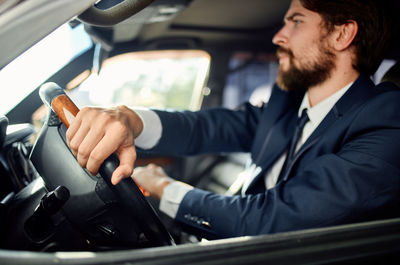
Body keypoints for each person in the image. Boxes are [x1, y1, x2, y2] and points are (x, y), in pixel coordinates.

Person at [66, 0, 400, 239]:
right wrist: (130, 120)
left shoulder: (387, 120)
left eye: (296, 21)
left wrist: (162, 187)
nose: (278, 37)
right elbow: (207, 127)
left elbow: (273, 219)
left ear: (343, 35)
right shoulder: (288, 104)